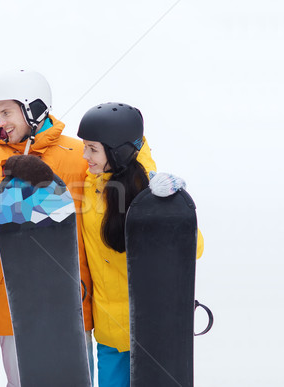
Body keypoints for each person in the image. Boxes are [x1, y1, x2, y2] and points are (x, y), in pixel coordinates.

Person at [0, 69, 101, 386]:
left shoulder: (78, 155)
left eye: (6, 112)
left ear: (33, 108)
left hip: (71, 300)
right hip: (15, 305)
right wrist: (9, 175)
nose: (0, 121)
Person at [76, 102, 204, 387]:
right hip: (109, 335)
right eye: (85, 147)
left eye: (92, 149)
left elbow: (194, 250)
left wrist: (171, 209)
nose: (85, 156)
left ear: (117, 151)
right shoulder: (89, 184)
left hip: (150, 333)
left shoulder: (150, 189)